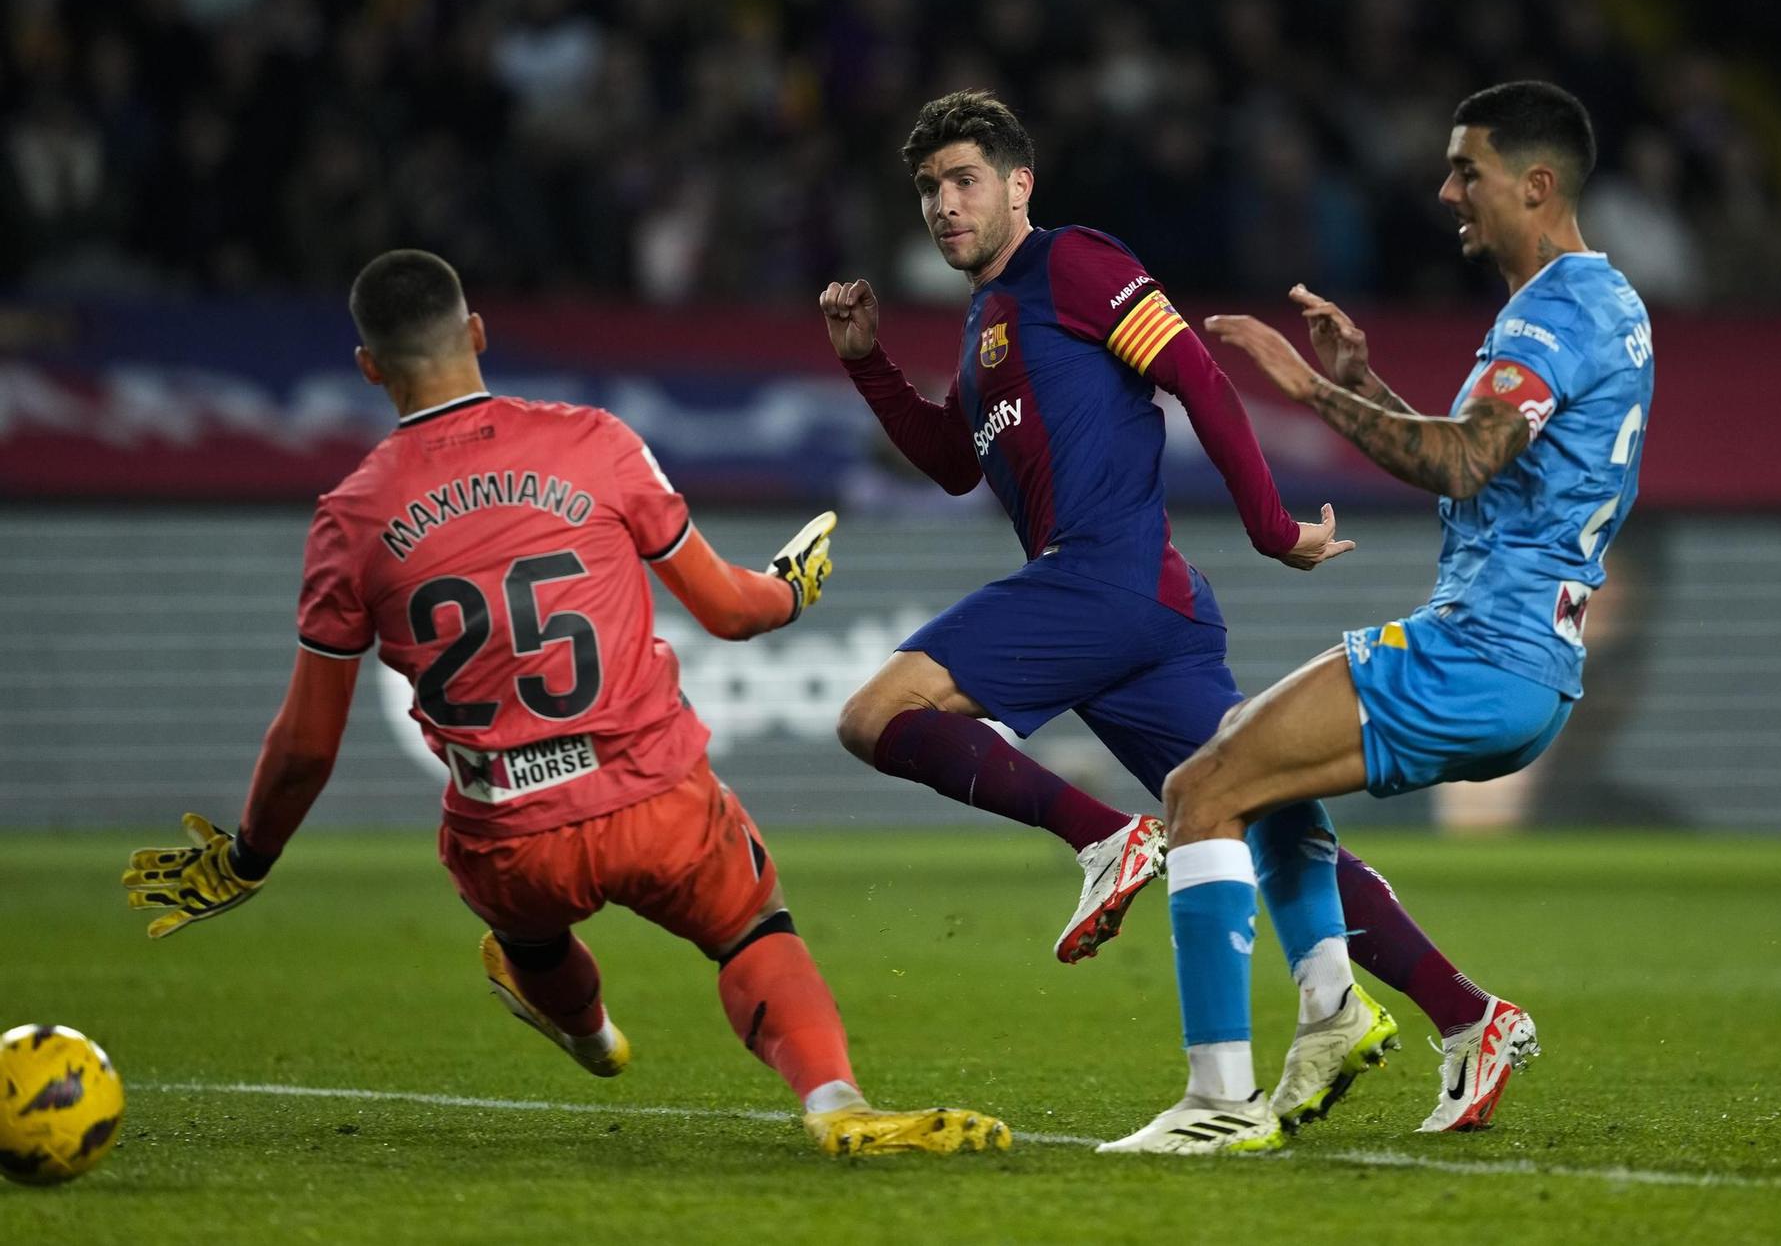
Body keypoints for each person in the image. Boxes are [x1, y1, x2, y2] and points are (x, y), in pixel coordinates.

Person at [122, 248, 1009, 1159]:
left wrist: (250, 857)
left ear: (369, 367)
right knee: (752, 924)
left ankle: (586, 1031)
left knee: (528, 932)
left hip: (507, 837)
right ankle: (835, 1100)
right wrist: (788, 588)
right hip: (655, 799)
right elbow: (730, 610)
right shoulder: (594, 442)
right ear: (476, 332)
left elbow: (308, 743)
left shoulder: (350, 518)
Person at [822, 90, 1521, 1143]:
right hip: (1147, 611)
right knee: (1259, 808)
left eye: (964, 180)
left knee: (874, 715)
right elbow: (958, 464)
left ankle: (1104, 839)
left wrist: (1270, 526)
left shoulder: (1073, 262)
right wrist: (869, 365)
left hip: (1101, 580)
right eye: (928, 187)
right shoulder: (987, 320)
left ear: (1018, 184)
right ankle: (1465, 1015)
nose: (943, 204)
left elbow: (1194, 372)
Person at [1106, 80, 1653, 1152]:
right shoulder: (1606, 306)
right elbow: (1491, 473)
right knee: (1255, 781)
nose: (1446, 191)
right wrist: (1371, 385)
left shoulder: (1555, 309)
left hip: (1481, 649)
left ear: (1535, 184)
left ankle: (1219, 1101)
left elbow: (1462, 458)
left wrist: (1309, 392)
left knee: (1198, 791)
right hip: (1523, 660)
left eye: (1467, 170)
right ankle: (1425, 1016)